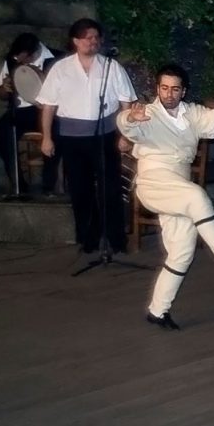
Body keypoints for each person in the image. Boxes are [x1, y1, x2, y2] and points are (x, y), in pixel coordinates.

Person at [116, 65, 214, 330]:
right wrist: (131, 120)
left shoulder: (192, 114)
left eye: (174, 89)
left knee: (182, 251)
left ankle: (158, 311)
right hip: (154, 183)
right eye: (164, 88)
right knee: (197, 196)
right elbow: (127, 126)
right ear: (157, 89)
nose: (168, 94)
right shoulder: (147, 114)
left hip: (178, 184)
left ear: (183, 91)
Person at [36, 19, 138, 254]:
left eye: (95, 37)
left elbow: (126, 103)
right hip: (72, 137)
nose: (92, 42)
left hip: (105, 135)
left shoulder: (112, 66)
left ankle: (116, 239)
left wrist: (125, 135)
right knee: (81, 189)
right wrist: (47, 137)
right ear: (75, 41)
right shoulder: (61, 69)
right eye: (86, 38)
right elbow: (49, 106)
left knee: (110, 188)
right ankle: (88, 238)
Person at [0, 32, 59, 195]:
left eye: (24, 59)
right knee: (2, 130)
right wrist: (5, 88)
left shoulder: (56, 59)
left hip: (49, 110)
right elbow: (0, 93)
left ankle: (48, 186)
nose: (20, 62)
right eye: (17, 59)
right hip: (21, 110)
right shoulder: (11, 59)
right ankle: (19, 186)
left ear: (34, 53)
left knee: (55, 132)